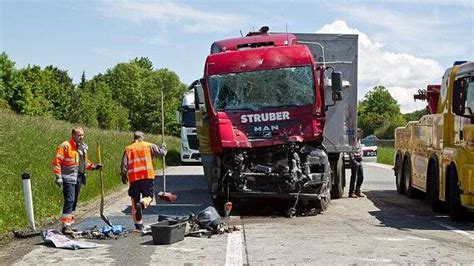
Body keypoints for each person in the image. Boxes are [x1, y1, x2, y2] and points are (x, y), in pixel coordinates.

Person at [52, 127, 102, 234]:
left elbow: (85, 163)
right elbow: (57, 162)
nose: (81, 137)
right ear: (73, 135)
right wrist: (58, 177)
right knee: (69, 200)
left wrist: (94, 167)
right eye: (79, 135)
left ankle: (70, 223)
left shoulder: (82, 147)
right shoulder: (66, 146)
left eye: (82, 135)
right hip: (68, 177)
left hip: (79, 177)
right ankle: (65, 226)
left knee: (74, 201)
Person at [121, 131, 167, 230]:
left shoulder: (128, 148)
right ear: (142, 137)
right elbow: (162, 153)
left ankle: (138, 225)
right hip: (147, 176)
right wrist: (163, 147)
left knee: (134, 201)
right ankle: (142, 204)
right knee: (148, 197)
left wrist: (123, 175)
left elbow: (124, 165)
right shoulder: (149, 146)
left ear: (134, 138)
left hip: (134, 179)